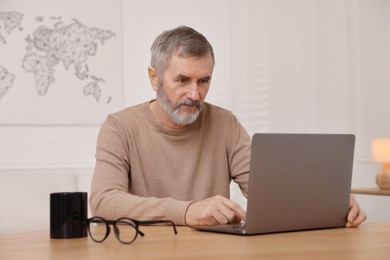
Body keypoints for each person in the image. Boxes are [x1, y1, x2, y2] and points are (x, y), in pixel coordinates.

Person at [90, 25, 366, 227]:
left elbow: (269, 188)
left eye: (204, 81)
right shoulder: (119, 128)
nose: (195, 95)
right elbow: (104, 200)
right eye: (183, 80)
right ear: (154, 77)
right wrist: (186, 211)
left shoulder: (225, 123)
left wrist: (329, 203)